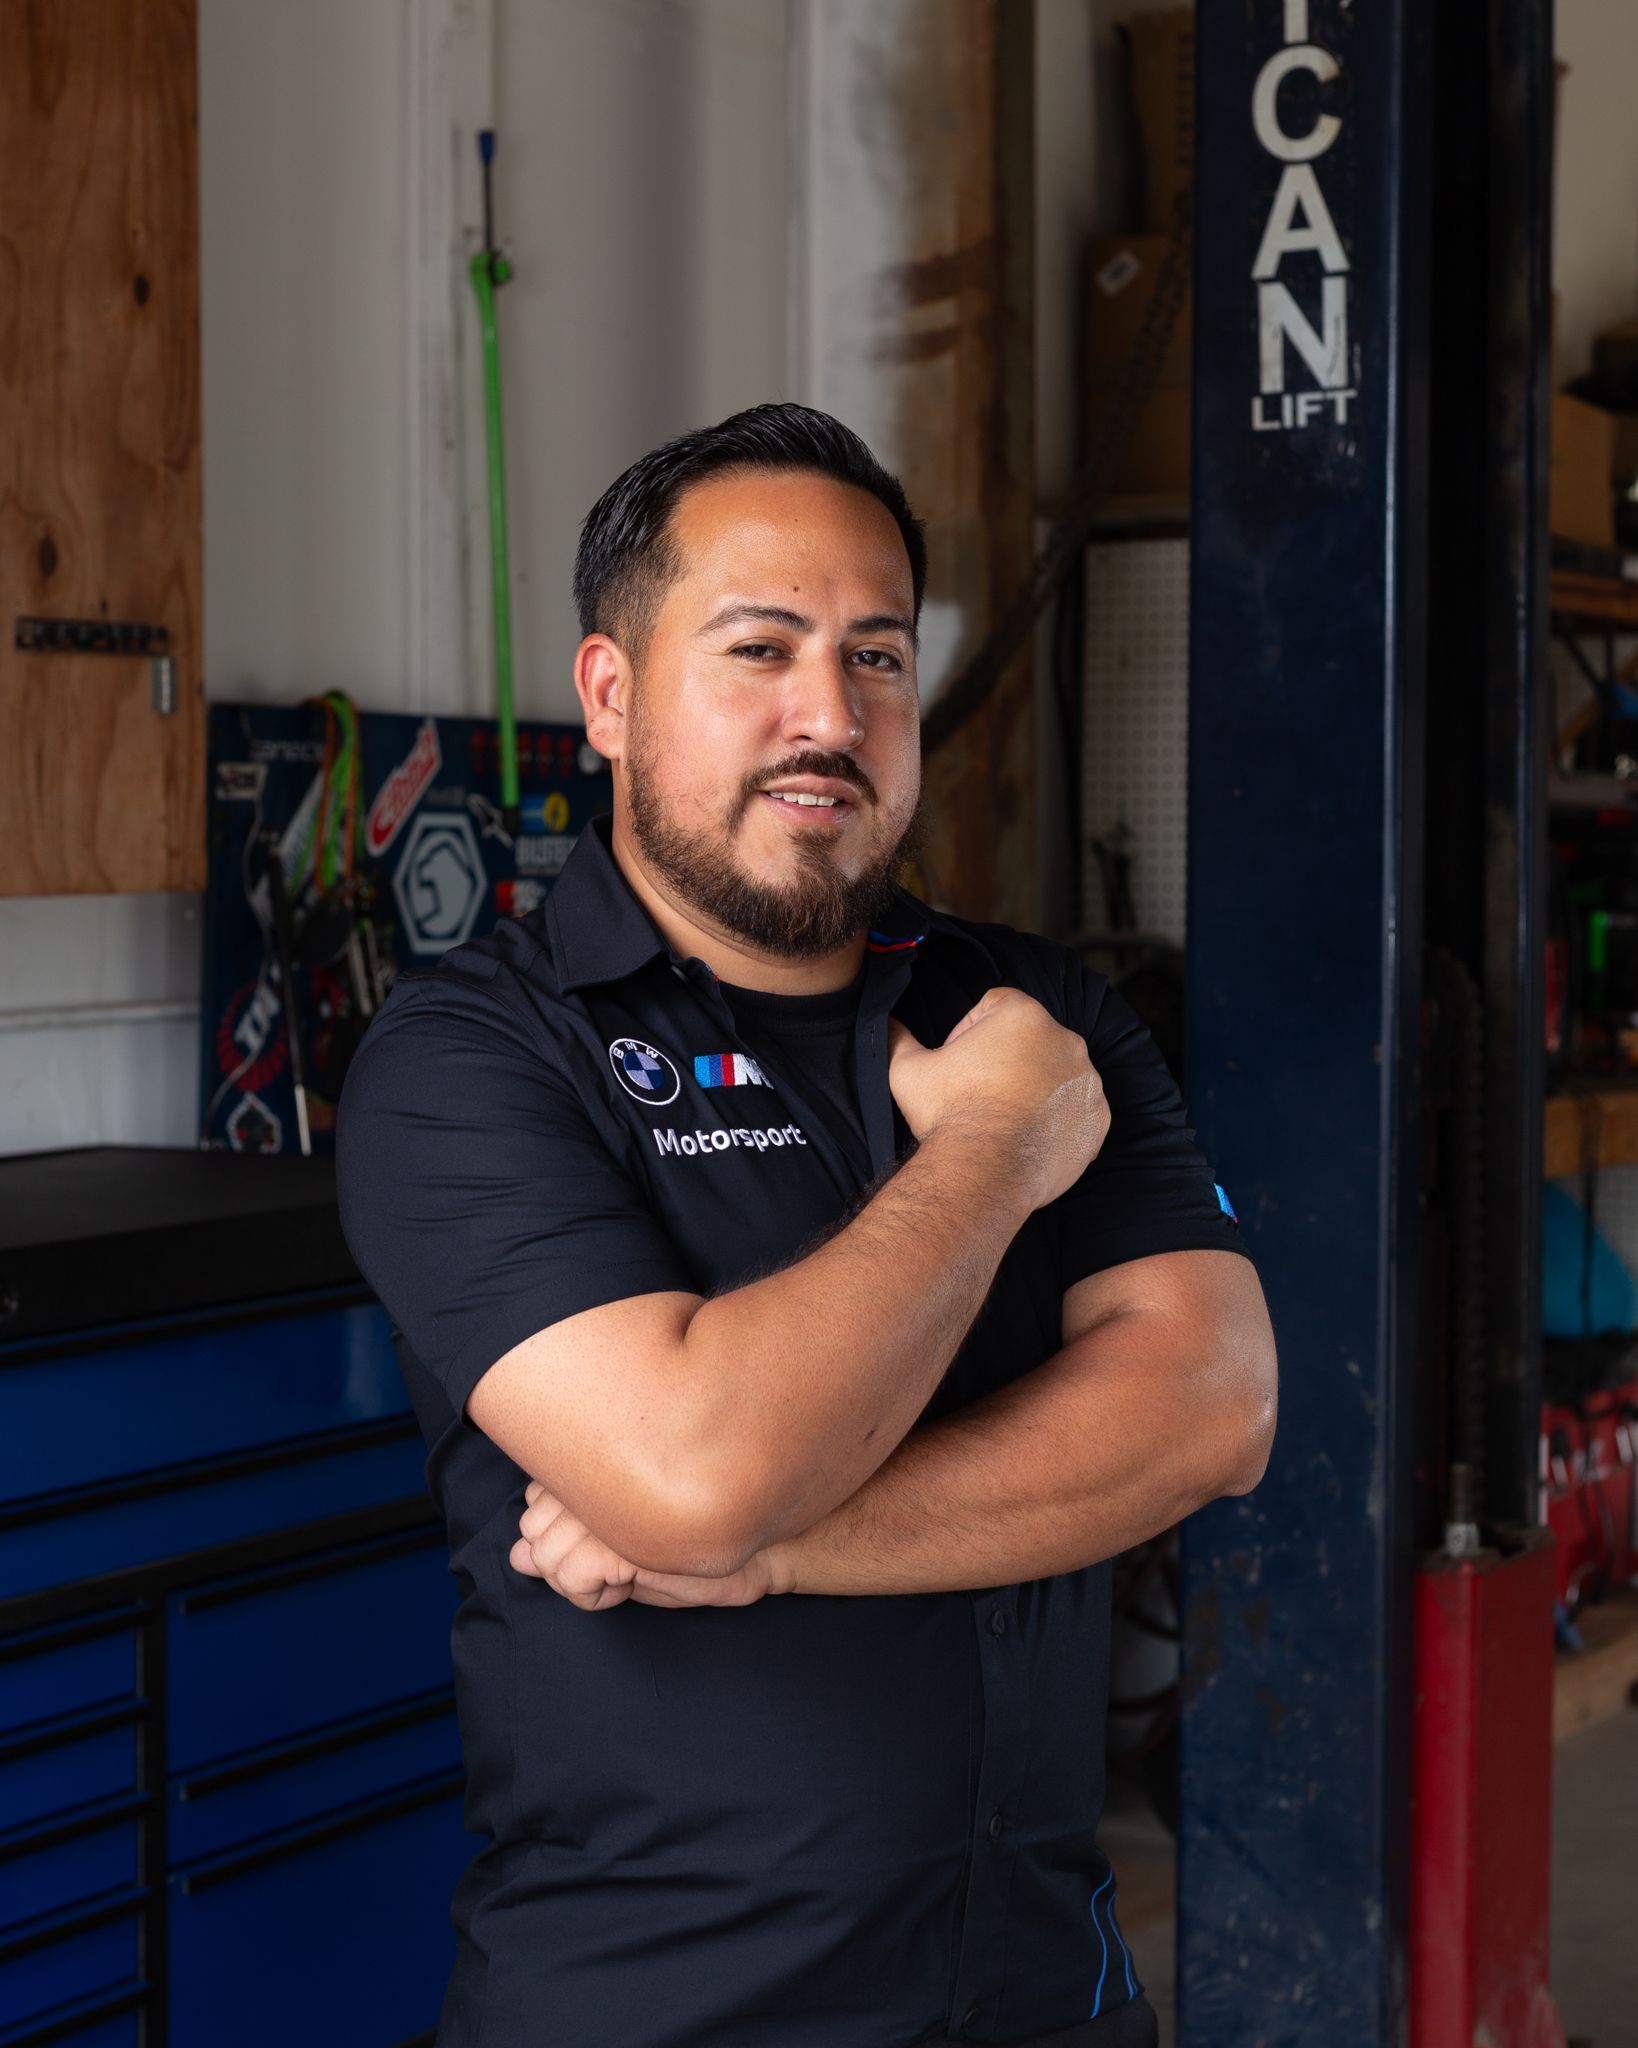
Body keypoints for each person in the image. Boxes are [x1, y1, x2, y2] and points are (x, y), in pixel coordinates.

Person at [336, 402, 1277, 2048]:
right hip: (667, 2012)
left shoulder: (1037, 1009)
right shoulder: (473, 1058)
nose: (826, 714)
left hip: (1044, 2002)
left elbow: (1212, 1409)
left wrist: (769, 1550)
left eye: (877, 658)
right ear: (612, 696)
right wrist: (988, 1154)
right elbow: (695, 1464)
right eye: (758, 650)